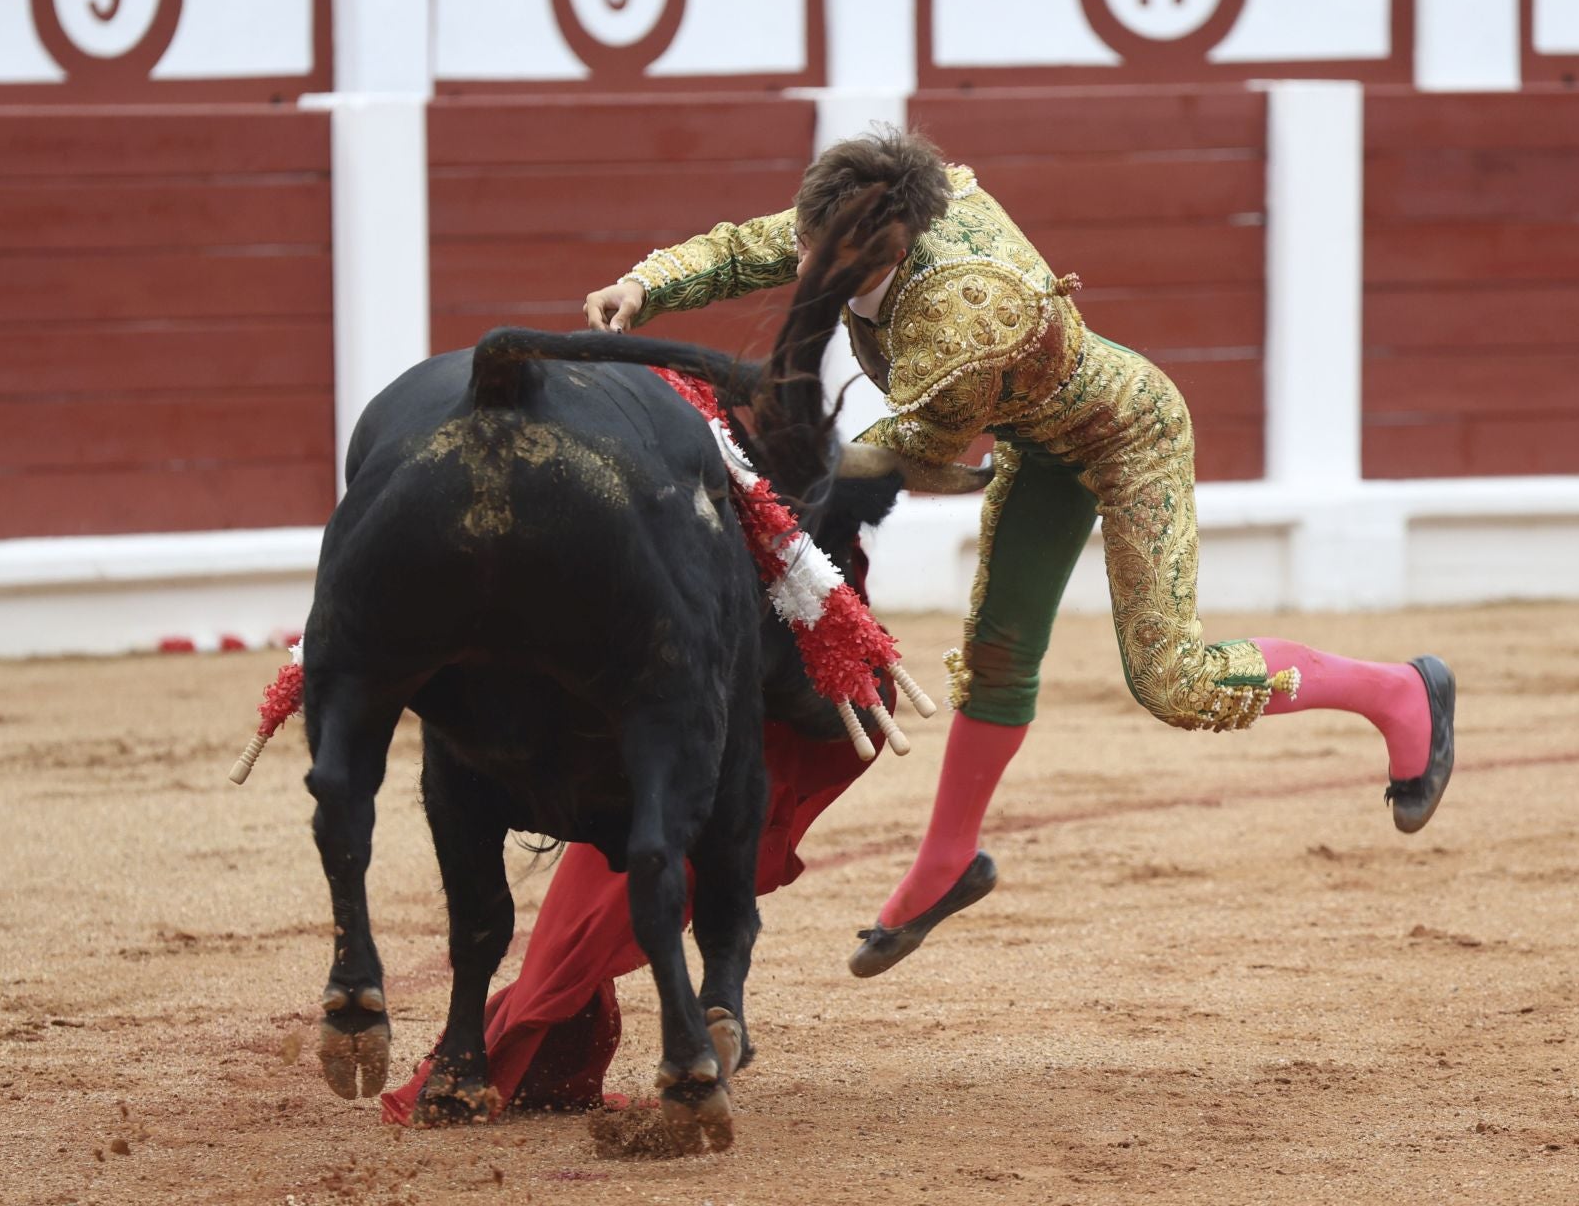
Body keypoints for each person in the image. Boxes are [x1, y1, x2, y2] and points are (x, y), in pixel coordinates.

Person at [584, 129, 1456, 978]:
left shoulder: (965, 312)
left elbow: (916, 452)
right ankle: (946, 863)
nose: (803, 264)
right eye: (807, 242)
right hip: (1039, 440)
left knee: (1176, 682)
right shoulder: (860, 215)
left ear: (889, 249)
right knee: (997, 662)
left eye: (823, 255)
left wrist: (765, 483)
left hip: (1127, 435)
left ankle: (1400, 692)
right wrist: (641, 286)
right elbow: (751, 249)